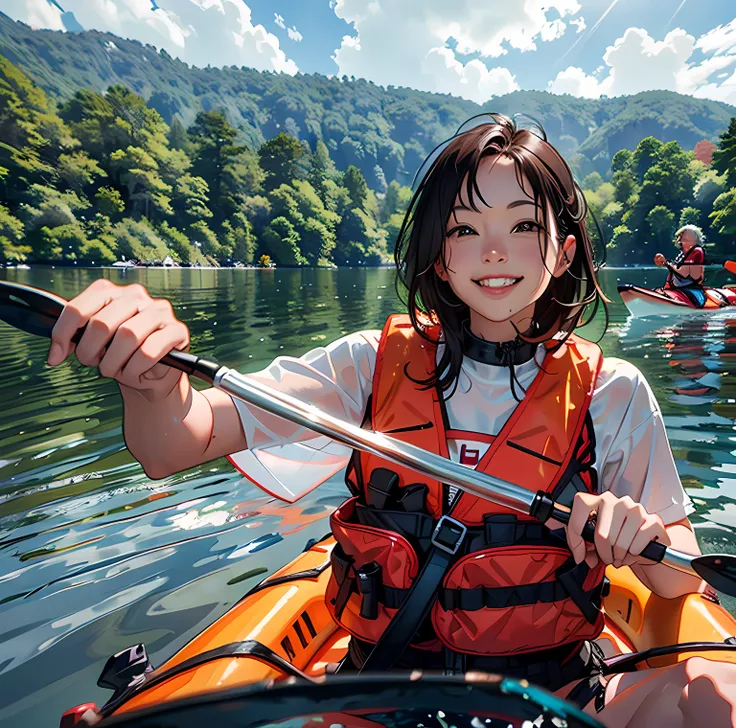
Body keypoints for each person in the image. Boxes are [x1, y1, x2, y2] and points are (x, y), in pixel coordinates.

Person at [46, 114, 736, 727]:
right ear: (441, 251)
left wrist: (644, 535)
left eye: (523, 225)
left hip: (559, 699)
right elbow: (176, 443)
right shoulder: (369, 365)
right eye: (466, 229)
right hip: (379, 698)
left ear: (560, 250)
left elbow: (678, 573)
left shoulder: (612, 392)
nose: (493, 251)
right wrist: (151, 383)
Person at [654, 225, 707, 307]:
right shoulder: (682, 254)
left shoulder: (697, 251)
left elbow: (684, 273)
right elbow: (675, 271)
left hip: (693, 291)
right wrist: (663, 263)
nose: (684, 236)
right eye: (682, 235)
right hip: (678, 289)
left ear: (695, 238)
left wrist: (666, 263)